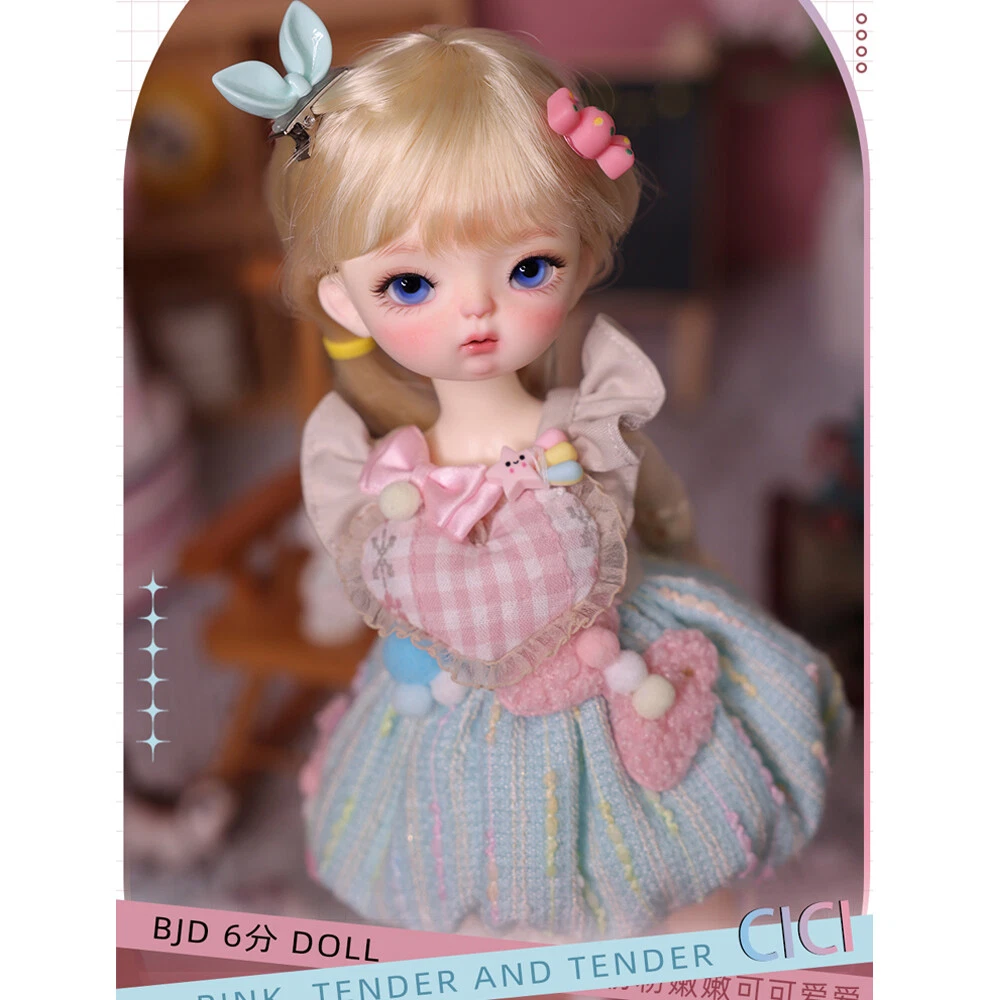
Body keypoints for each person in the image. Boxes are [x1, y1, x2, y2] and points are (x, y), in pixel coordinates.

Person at [214, 2, 849, 938]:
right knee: (482, 893)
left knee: (687, 871)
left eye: (527, 268)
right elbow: (378, 580)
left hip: (614, 667)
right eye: (411, 284)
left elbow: (657, 519)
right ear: (343, 300)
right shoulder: (385, 473)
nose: (475, 310)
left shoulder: (583, 429)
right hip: (453, 710)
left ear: (581, 260)